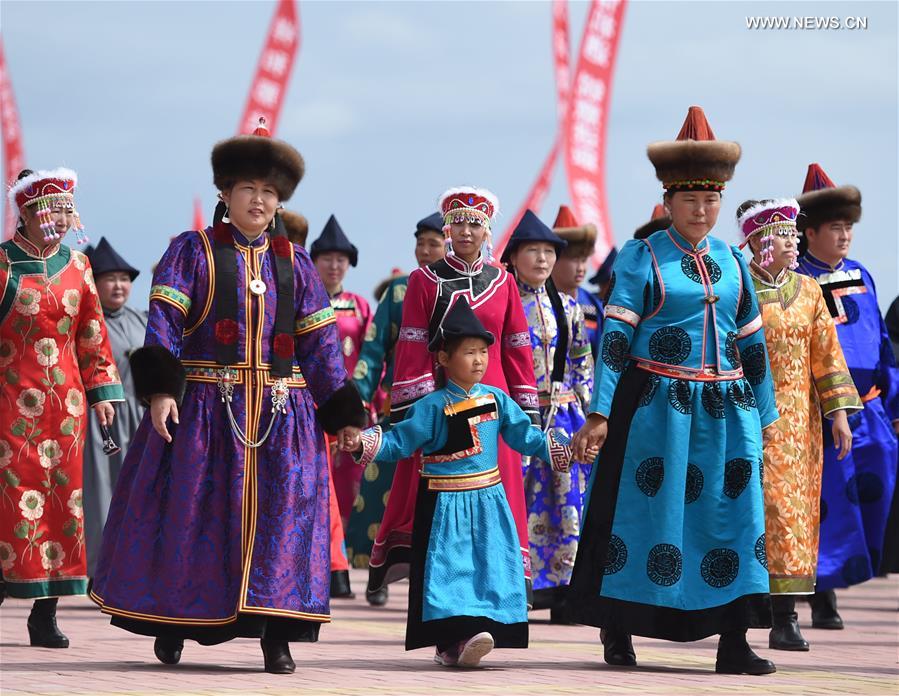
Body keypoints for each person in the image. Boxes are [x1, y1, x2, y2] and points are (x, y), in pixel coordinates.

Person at [91, 119, 366, 674]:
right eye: (249, 190)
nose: (260, 200)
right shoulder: (190, 252)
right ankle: (174, 624)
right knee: (195, 516)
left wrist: (343, 416)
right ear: (225, 194)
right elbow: (164, 324)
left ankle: (277, 637)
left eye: (269, 192)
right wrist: (162, 393)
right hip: (206, 412)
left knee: (282, 522)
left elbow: (321, 349)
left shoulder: (296, 263)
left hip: (281, 415)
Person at [569, 106, 779, 675]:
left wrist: (766, 413)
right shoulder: (643, 258)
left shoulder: (735, 262)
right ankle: (619, 629)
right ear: (668, 201)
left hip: (727, 410)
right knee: (643, 518)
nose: (702, 210)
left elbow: (752, 343)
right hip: (658, 407)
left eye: (712, 200)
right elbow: (614, 340)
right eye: (691, 200)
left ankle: (733, 641)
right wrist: (600, 411)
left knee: (732, 518)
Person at [342, 298, 574, 667]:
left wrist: (563, 451)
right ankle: (451, 641)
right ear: (444, 359)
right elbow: (401, 441)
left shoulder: (497, 399)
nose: (479, 360)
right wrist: (364, 443)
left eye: (483, 351)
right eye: (469, 352)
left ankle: (479, 632)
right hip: (444, 506)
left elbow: (524, 436)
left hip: (489, 502)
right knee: (450, 571)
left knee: (490, 566)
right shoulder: (431, 406)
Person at [367, 187, 539, 602]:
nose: (466, 231)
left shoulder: (504, 283)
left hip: (496, 407)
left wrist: (528, 413)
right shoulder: (423, 281)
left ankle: (500, 587)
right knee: (442, 498)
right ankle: (444, 588)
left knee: (499, 495)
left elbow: (517, 347)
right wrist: (419, 420)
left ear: (488, 231)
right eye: (458, 222)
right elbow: (411, 347)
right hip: (444, 405)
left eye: (475, 223)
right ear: (446, 228)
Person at [0, 168, 124, 647]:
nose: (58, 219)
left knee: (60, 509)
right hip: (11, 405)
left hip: (66, 411)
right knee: (11, 504)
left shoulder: (79, 266)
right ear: (26, 214)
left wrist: (103, 394)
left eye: (64, 211)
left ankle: (44, 614)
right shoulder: (5, 265)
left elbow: (92, 335)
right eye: (48, 211)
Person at [738, 198, 861, 651]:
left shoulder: (810, 291)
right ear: (757, 242)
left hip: (798, 422)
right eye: (782, 235)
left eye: (794, 235)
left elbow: (827, 355)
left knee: (790, 514)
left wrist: (839, 414)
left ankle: (785, 617)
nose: (792, 243)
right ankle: (741, 605)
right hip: (743, 414)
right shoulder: (738, 287)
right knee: (747, 509)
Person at [794, 163, 899, 627]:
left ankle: (845, 575)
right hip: (819, 411)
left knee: (875, 495)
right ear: (810, 231)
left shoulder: (862, 273)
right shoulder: (795, 279)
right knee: (824, 504)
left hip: (869, 410)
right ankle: (821, 590)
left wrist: (891, 402)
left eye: (848, 227)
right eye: (834, 227)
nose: (844, 236)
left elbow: (880, 343)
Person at [347, 212, 446, 606]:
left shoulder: (467, 290)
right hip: (404, 411)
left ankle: (437, 580)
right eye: (420, 243)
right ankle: (381, 575)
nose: (424, 251)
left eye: (433, 243)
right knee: (387, 495)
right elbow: (371, 351)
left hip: (453, 412)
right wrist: (356, 403)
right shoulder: (400, 292)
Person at [502, 210, 594, 622]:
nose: (542, 259)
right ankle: (518, 585)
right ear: (513, 256)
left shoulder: (570, 308)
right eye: (532, 251)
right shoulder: (503, 302)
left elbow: (581, 363)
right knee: (515, 496)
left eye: (548, 252)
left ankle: (562, 589)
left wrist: (591, 415)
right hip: (515, 415)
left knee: (565, 501)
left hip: (561, 415)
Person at [309, 215, 372, 599]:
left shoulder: (359, 307)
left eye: (341, 259)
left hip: (348, 408)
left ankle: (344, 562)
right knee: (316, 485)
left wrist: (367, 406)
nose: (334, 265)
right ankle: (326, 564)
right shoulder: (303, 300)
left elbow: (369, 359)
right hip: (312, 407)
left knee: (350, 488)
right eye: (327, 258)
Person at [81, 238, 148, 578]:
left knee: (141, 495)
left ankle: (136, 569)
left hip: (140, 420)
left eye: (124, 278)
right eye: (110, 278)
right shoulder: (86, 323)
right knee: (101, 496)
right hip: (100, 425)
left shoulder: (142, 319)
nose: (119, 285)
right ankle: (100, 571)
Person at [550, 206, 603, 362]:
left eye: (584, 259)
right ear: (554, 258)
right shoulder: (536, 300)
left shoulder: (593, 306)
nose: (581, 268)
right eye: (574, 259)